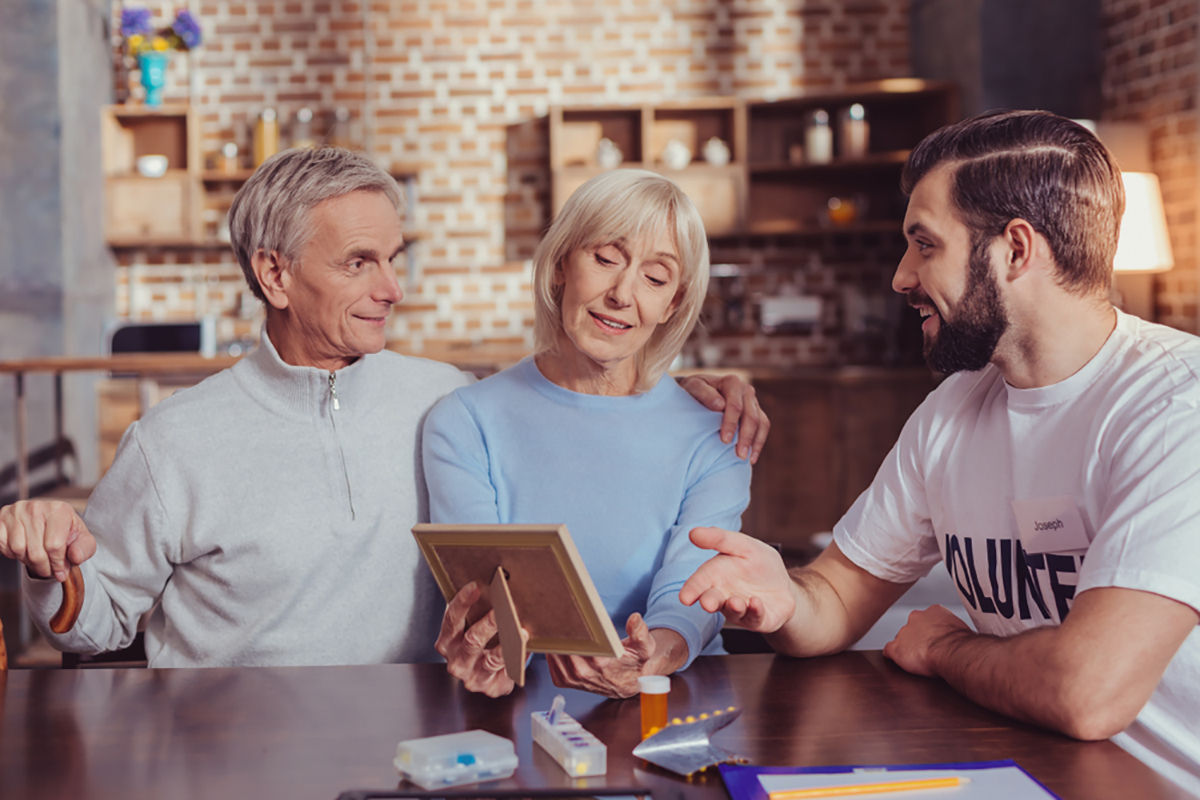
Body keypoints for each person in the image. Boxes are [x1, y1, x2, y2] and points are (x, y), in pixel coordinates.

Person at [0, 148, 768, 668]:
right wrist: (54, 562)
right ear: (275, 274)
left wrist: (698, 390)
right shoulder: (171, 442)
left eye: (395, 260)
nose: (393, 289)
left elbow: (580, 410)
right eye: (360, 263)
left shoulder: (443, 397)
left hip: (414, 739)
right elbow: (95, 628)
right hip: (226, 745)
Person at [679, 110, 1200, 793]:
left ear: (1016, 249)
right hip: (1023, 775)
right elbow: (837, 595)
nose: (900, 276)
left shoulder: (1175, 409)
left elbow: (1086, 692)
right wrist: (784, 596)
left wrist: (946, 647)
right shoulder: (954, 410)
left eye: (924, 244)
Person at [424, 169, 752, 699]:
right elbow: (486, 594)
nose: (623, 293)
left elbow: (689, 591)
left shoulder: (715, 436)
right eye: (605, 258)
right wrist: (495, 650)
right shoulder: (464, 421)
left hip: (666, 701)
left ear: (672, 303)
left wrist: (654, 655)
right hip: (520, 709)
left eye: (655, 276)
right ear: (560, 265)